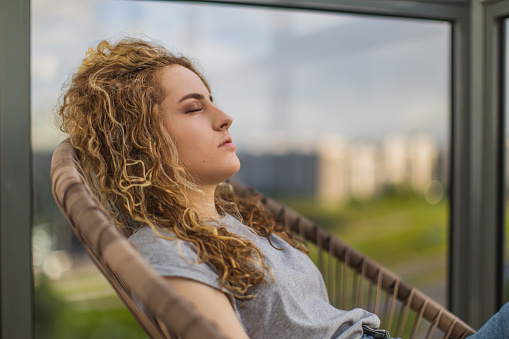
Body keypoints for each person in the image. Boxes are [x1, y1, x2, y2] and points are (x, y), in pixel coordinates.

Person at [58, 37, 506, 339]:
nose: (224, 116)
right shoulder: (166, 249)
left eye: (212, 100)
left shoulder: (229, 219)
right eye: (194, 108)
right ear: (143, 140)